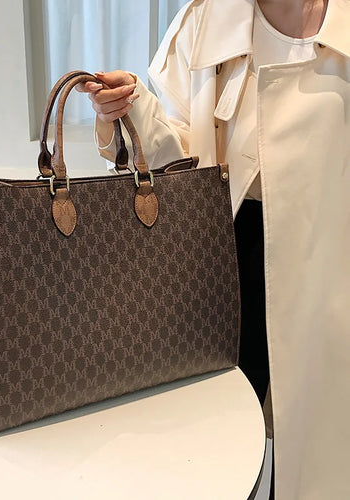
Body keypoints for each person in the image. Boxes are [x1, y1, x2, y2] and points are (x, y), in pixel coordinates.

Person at [78, 0, 350, 498]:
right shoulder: (205, 20)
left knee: (319, 453)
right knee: (211, 448)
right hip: (220, 262)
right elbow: (179, 164)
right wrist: (131, 109)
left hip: (328, 266)